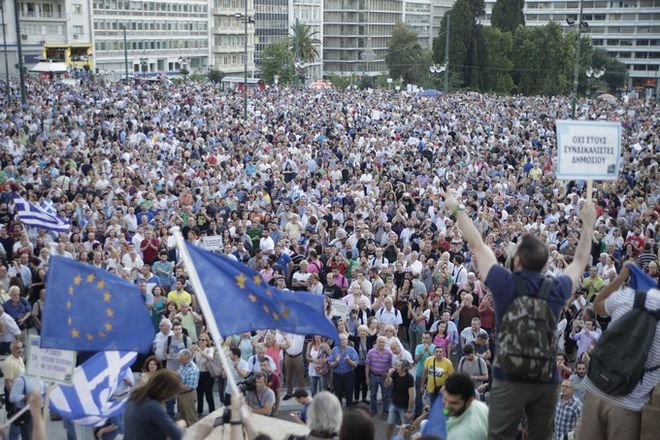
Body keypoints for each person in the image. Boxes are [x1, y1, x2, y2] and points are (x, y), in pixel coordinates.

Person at [442, 190, 596, 440]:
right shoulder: (556, 288)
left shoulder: (504, 282)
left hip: (508, 378)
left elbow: (477, 244)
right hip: (545, 380)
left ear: (517, 262)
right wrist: (588, 223)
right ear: (543, 264)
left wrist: (456, 207)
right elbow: (579, 260)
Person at [578, 264, 660, 439]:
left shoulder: (630, 296)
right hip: (628, 402)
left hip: (595, 388)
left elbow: (597, 305)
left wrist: (620, 278)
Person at [124, 369, 187, 440]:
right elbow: (176, 435)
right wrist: (180, 424)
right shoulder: (153, 406)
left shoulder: (135, 395)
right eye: (173, 393)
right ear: (166, 391)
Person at [442, 373, 489, 440]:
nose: (446, 406)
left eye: (454, 403)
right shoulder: (480, 406)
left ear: (469, 401)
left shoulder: (464, 435)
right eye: (445, 399)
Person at [384, 359, 415, 440]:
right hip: (394, 404)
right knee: (390, 426)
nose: (396, 367)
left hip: (404, 407)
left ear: (404, 368)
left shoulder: (409, 378)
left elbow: (411, 395)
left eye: (398, 365)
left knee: (405, 429)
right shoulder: (395, 374)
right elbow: (386, 385)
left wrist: (409, 410)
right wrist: (388, 375)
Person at [8, 374, 46, 440]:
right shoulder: (21, 379)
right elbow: (12, 397)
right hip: (27, 413)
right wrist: (25, 397)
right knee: (28, 437)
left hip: (40, 411)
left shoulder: (41, 378)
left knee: (39, 433)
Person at [328, 333, 358, 407]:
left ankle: (350, 413)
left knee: (349, 394)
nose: (343, 341)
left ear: (347, 340)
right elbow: (330, 364)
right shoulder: (334, 350)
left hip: (348, 375)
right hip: (337, 376)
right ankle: (338, 413)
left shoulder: (351, 350)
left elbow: (355, 364)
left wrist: (349, 361)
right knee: (337, 395)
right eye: (341, 340)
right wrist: (336, 362)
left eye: (344, 339)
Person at [365, 335, 393, 416]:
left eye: (383, 342)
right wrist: (367, 378)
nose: (381, 343)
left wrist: (388, 374)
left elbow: (391, 366)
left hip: (384, 377)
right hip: (373, 375)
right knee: (373, 394)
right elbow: (367, 365)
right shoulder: (371, 352)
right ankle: (373, 410)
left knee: (386, 395)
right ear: (376, 342)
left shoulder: (389, 353)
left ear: (385, 343)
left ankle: (385, 411)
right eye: (380, 342)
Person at [176, 349, 199, 426]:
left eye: (179, 356)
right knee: (183, 418)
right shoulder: (183, 365)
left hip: (188, 395)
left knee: (191, 419)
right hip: (181, 395)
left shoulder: (193, 369)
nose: (177, 358)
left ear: (186, 357)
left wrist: (173, 386)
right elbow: (178, 375)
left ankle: (194, 436)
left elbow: (188, 387)